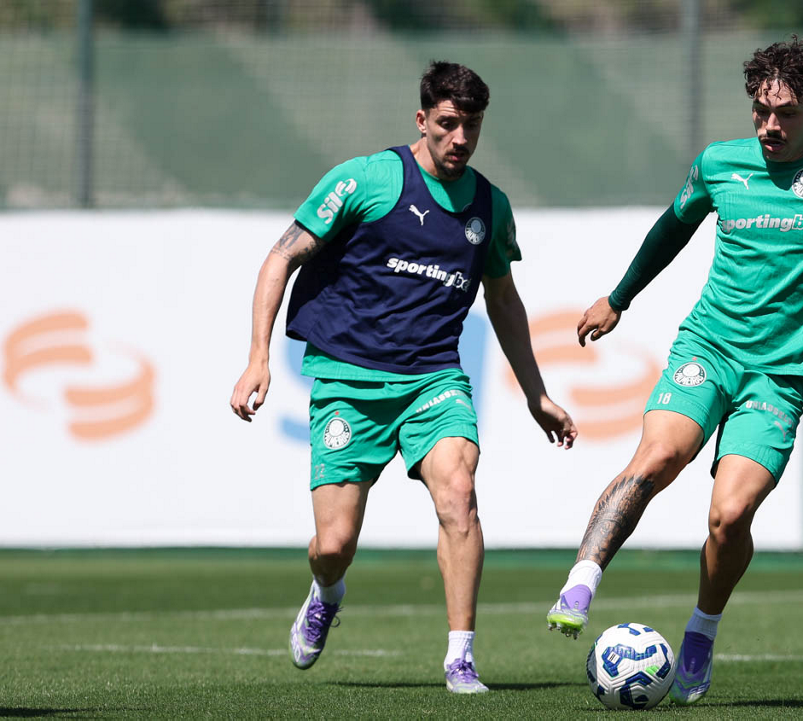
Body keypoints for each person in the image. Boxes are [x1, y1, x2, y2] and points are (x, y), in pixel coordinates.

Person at [544, 37, 803, 705]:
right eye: (761, 111)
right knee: (655, 459)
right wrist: (619, 298)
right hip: (707, 349)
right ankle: (581, 582)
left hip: (778, 376)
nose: (770, 126)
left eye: (786, 113)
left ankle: (702, 628)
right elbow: (671, 229)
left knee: (730, 515)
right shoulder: (720, 163)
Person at [229, 61, 577, 693]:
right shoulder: (367, 180)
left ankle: (460, 658)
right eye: (448, 124)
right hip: (348, 380)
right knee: (333, 544)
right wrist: (258, 357)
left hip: (433, 380)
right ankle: (326, 592)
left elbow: (503, 299)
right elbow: (280, 257)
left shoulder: (490, 207)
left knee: (459, 495)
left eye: (472, 126)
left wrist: (537, 394)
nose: (460, 138)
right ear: (421, 120)